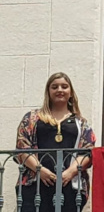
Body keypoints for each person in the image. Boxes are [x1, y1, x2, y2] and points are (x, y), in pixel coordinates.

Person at [15, 72, 96, 212]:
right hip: (35, 184)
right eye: (55, 87)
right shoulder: (32, 118)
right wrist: (40, 170)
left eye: (64, 86)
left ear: (70, 92)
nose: (59, 90)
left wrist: (70, 172)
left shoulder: (80, 123)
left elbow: (88, 151)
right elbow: (23, 147)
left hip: (69, 186)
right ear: (48, 91)